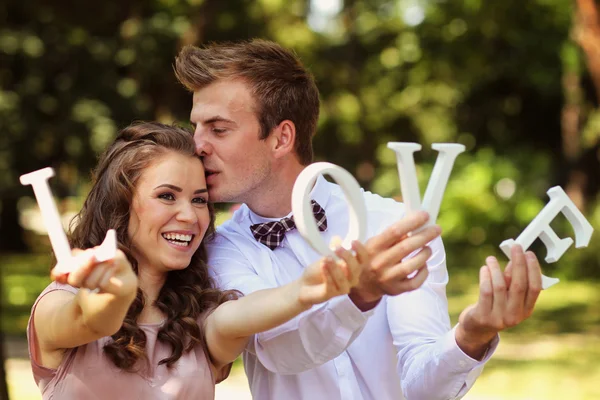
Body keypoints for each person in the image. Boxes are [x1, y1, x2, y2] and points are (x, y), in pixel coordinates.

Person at [174, 39, 543, 400]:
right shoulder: (217, 249)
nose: (198, 144)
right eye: (197, 127)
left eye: (218, 129)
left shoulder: (393, 222)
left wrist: (472, 334)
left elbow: (423, 388)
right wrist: (359, 296)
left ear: (281, 138)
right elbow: (281, 351)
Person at [27, 122, 369, 400]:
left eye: (200, 200)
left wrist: (304, 290)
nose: (190, 215)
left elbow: (236, 318)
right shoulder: (58, 304)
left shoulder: (196, 316)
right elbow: (93, 319)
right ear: (120, 204)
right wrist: (118, 290)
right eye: (167, 196)